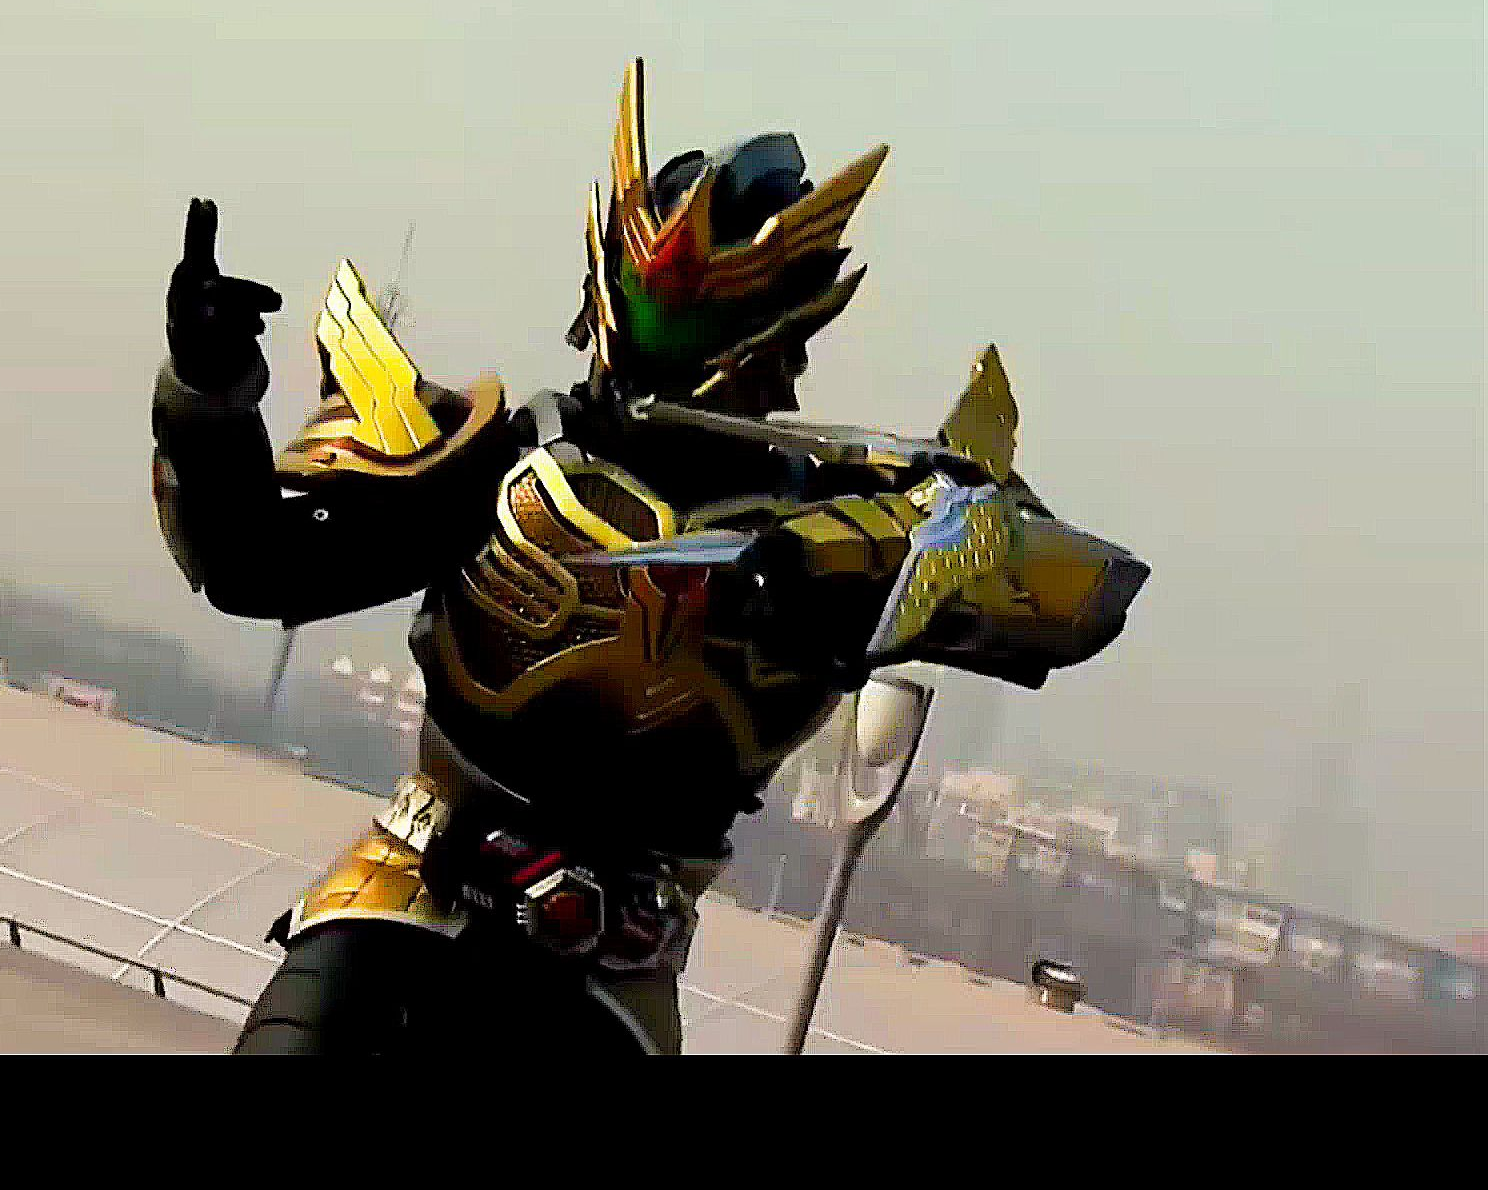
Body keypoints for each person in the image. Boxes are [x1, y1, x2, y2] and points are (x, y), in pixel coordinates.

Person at [149, 59, 1149, 1054]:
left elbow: (1078, 592)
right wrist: (207, 392)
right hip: (412, 900)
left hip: (610, 975)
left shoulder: (841, 516)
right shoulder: (500, 461)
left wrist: (848, 560)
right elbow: (253, 564)